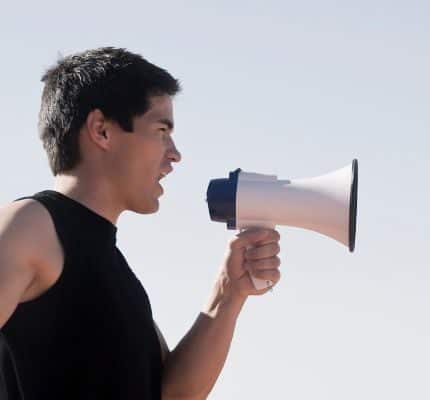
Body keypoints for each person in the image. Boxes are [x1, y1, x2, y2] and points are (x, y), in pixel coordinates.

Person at [0, 47, 282, 399]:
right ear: (101, 130)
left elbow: (173, 393)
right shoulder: (29, 225)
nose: (175, 153)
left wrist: (229, 292)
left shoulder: (113, 267)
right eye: (161, 130)